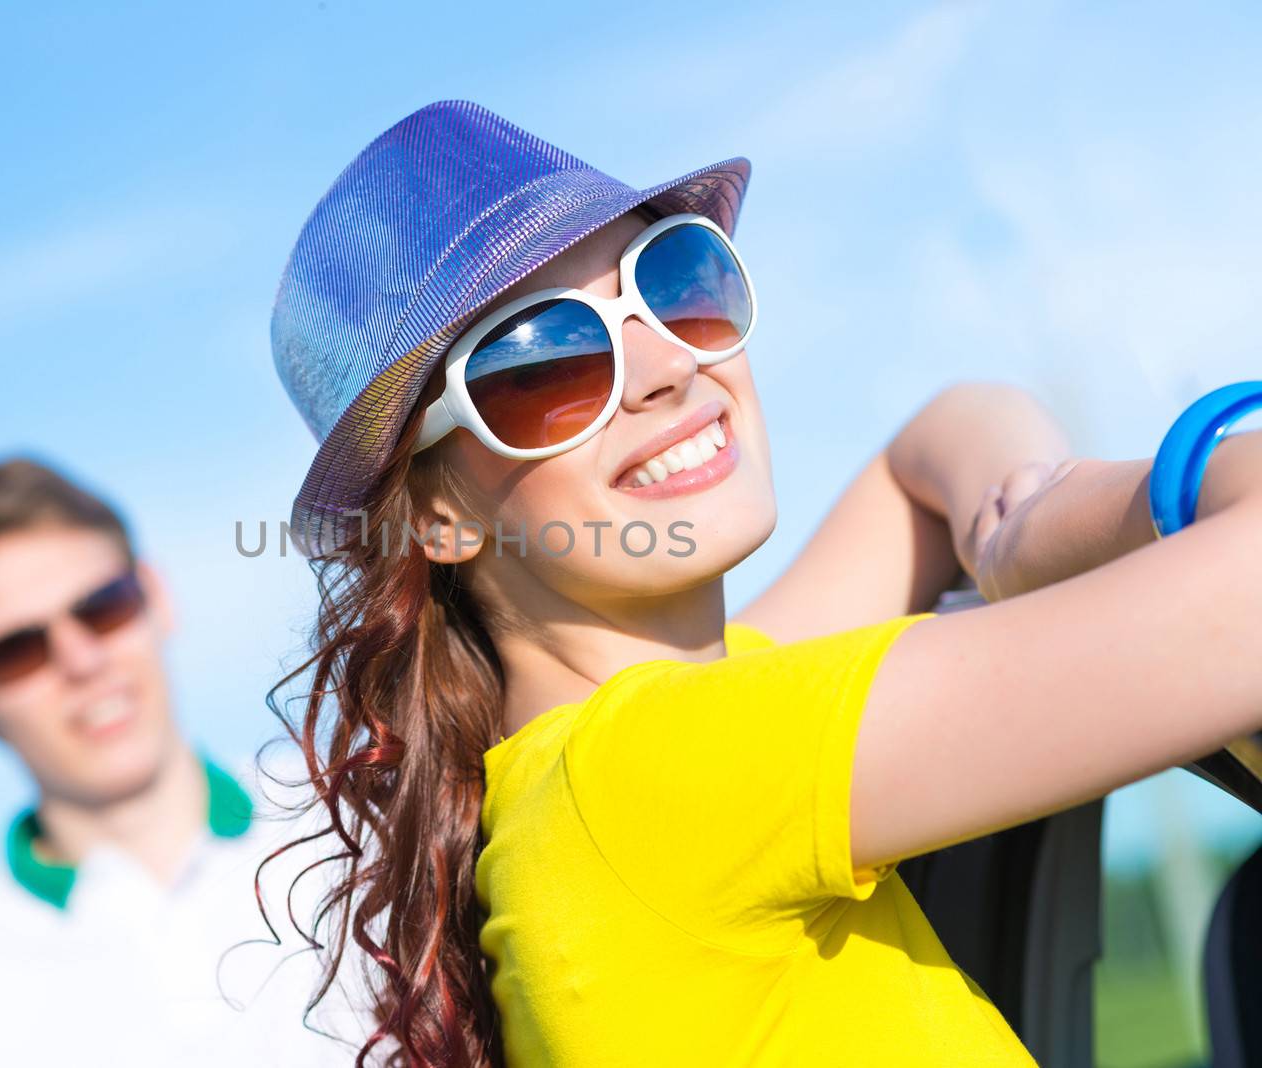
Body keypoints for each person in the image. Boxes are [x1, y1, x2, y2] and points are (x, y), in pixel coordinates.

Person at [264, 99, 1262, 1066]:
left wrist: (1031, 514)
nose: (663, 366)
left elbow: (931, 444)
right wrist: (1142, 496)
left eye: (673, 282)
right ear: (435, 518)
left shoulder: (597, 778)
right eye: (543, 362)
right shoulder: (662, 771)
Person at [0, 455, 359, 1067]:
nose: (81, 661)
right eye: (16, 651)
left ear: (155, 596)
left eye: (104, 607)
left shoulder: (361, 812)